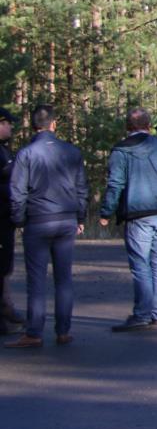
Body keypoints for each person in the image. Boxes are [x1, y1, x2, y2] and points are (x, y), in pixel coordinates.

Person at [6, 105, 87, 348]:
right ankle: (63, 330)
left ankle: (34, 332)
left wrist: (19, 220)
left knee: (37, 279)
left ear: (34, 126)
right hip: (65, 219)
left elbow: (17, 192)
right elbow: (82, 188)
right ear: (54, 124)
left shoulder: (26, 154)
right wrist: (80, 218)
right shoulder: (71, 152)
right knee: (63, 278)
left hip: (38, 220)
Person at [100, 107, 157, 332]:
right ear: (148, 124)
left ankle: (142, 313)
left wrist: (106, 212)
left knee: (141, 264)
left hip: (138, 213)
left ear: (128, 126)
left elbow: (115, 183)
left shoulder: (122, 150)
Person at [0, 109, 19, 328]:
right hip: (2, 214)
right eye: (6, 124)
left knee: (5, 266)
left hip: (6, 216)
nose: (10, 127)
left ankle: (6, 308)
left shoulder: (5, 150)